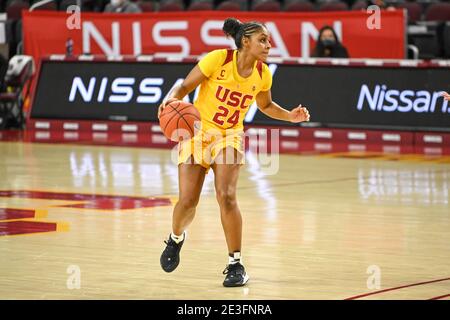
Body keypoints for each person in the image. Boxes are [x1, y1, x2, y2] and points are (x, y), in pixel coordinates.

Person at [158, 17, 310, 287]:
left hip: (229, 136)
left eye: (268, 40)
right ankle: (176, 237)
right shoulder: (218, 59)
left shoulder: (263, 73)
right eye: (262, 40)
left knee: (226, 196)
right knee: (187, 202)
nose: (268, 45)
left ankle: (235, 264)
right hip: (197, 134)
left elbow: (266, 105)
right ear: (245, 42)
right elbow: (184, 87)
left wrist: (290, 116)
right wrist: (170, 99)